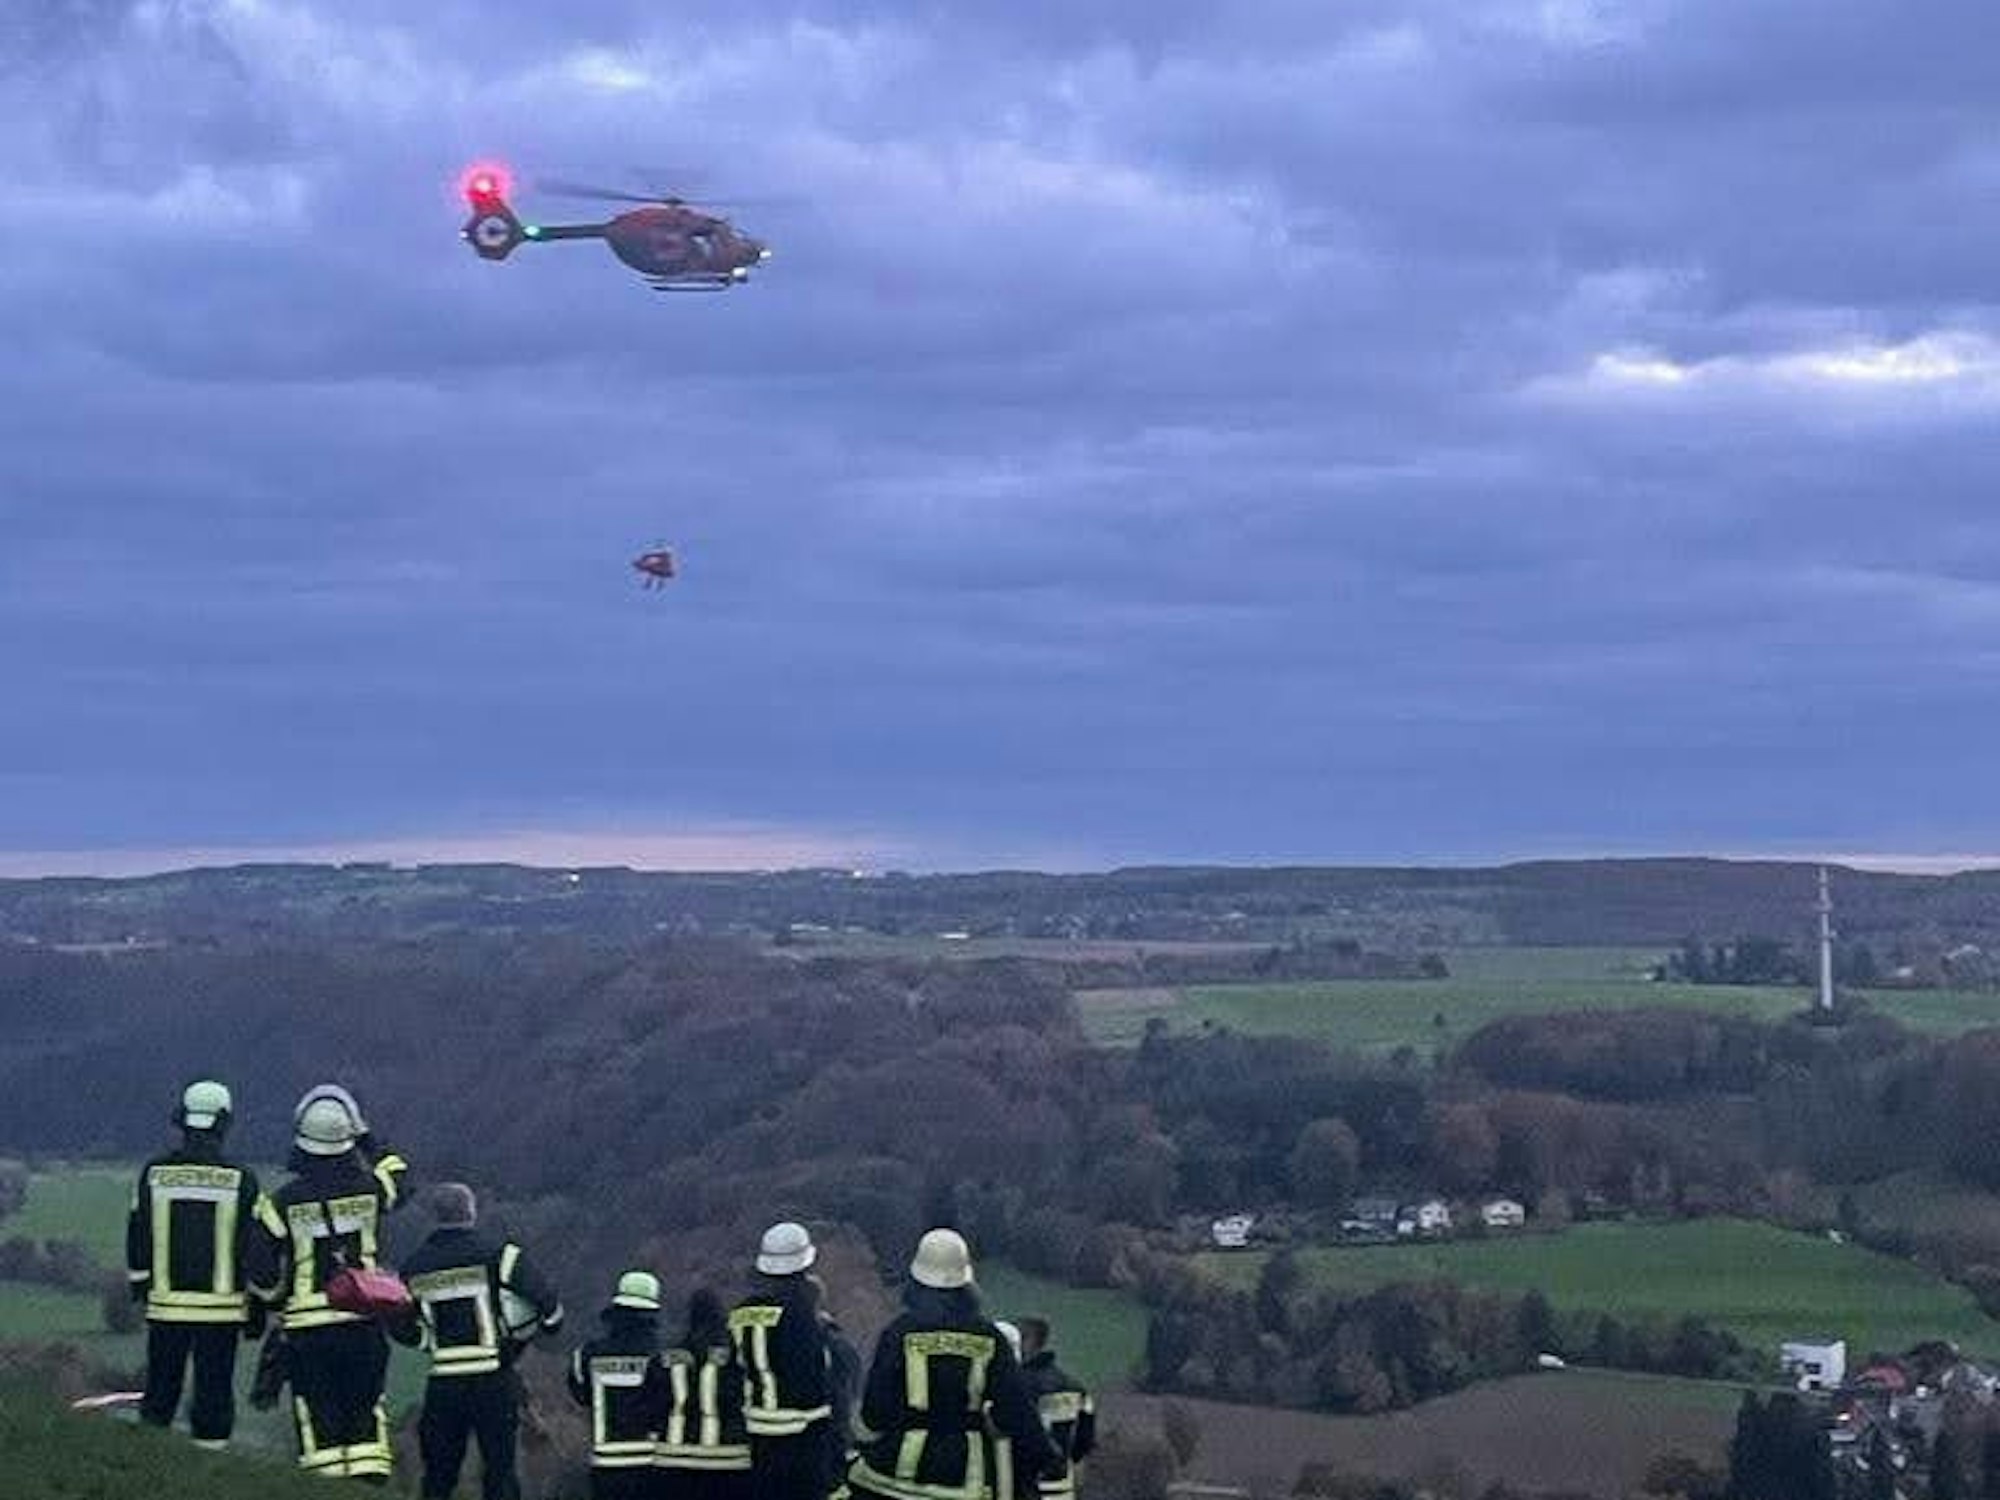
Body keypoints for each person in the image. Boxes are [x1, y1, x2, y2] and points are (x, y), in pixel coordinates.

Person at [251, 1083, 412, 1482]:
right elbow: (401, 1176)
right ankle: (369, 1487)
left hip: (308, 1333)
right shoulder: (371, 1190)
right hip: (364, 1324)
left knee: (318, 1424)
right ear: (347, 1141)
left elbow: (261, 1271)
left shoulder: (280, 1203)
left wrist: (274, 1302)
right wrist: (366, 1137)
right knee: (367, 1421)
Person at [125, 1079, 284, 1451]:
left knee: (161, 1387)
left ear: (182, 1121)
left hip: (165, 1308)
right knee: (214, 1391)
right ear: (224, 1123)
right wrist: (262, 1302)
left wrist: (140, 1286)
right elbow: (260, 1246)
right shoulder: (243, 1181)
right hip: (223, 1312)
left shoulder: (153, 1174)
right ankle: (209, 1461)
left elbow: (137, 1236)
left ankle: (148, 1459)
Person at [847, 1230, 1060, 1500]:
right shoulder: (989, 1338)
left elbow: (875, 1413)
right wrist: (1047, 1457)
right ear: (966, 1282)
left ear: (917, 1280)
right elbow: (1015, 1410)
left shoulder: (899, 1332)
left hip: (893, 1474)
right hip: (962, 1478)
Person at [397, 1183, 565, 1500]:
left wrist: (429, 1343)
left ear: (435, 1217)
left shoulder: (414, 1267)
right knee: (500, 1471)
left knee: (438, 1476)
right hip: (494, 1377)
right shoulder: (501, 1256)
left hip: (443, 1384)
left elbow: (404, 1329)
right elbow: (547, 1303)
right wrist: (535, 1331)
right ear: (471, 1212)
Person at [731, 1221, 837, 1500]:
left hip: (756, 1435)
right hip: (803, 1437)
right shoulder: (801, 1313)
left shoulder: (740, 1314)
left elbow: (734, 1370)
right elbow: (814, 1374)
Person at [568, 1270, 671, 1500]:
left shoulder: (588, 1353)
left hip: (607, 1462)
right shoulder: (665, 1355)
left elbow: (580, 1394)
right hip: (654, 1461)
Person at [656, 1288, 752, 1500]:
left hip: (674, 1457)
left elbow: (652, 1402)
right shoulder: (738, 1359)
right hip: (729, 1457)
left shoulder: (667, 1356)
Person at [1015, 1319, 1094, 1500]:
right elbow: (1085, 1440)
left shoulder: (1018, 1387)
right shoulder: (1076, 1387)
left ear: (1027, 1342)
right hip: (1062, 1487)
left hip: (1026, 1487)